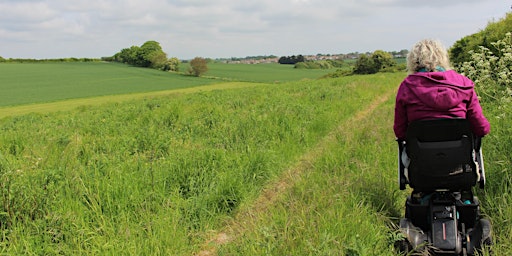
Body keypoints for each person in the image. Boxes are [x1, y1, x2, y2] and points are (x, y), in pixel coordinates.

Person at [393, 39, 490, 141]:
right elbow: (481, 128)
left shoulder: (407, 86)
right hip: (460, 153)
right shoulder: (463, 83)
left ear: (413, 61)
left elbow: (400, 132)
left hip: (420, 154)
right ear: (442, 58)